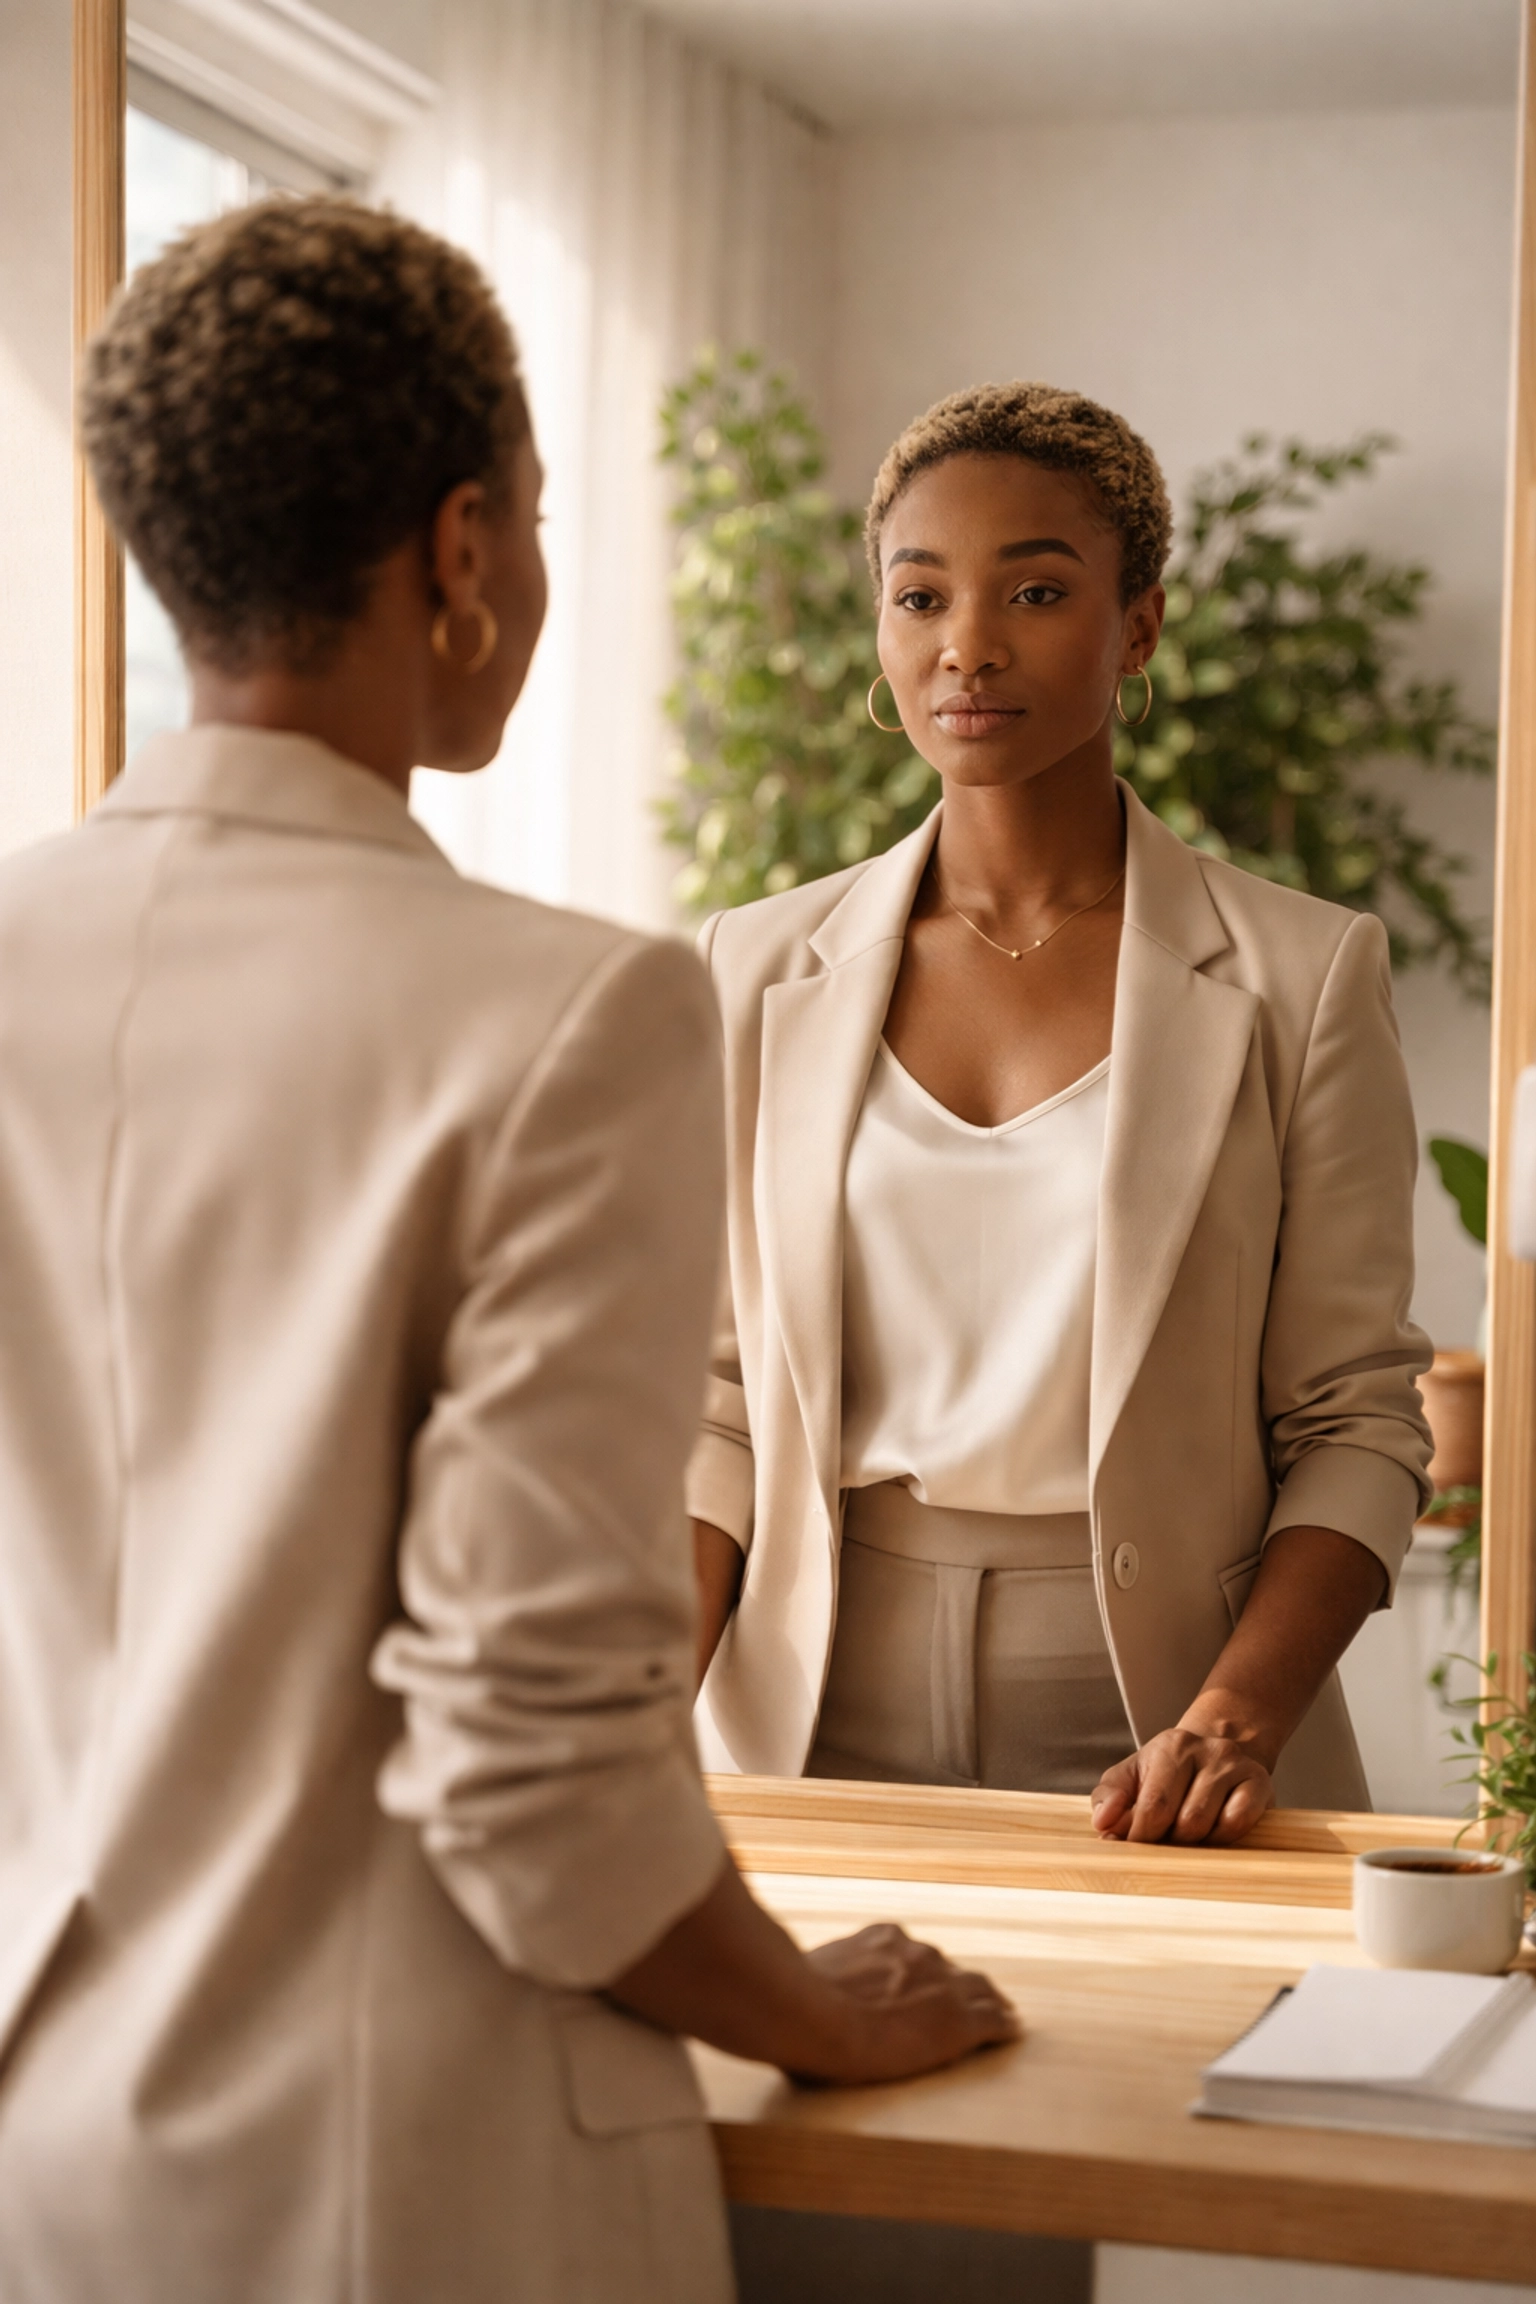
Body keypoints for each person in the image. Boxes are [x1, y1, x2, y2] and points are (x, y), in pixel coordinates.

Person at [0, 201, 1017, 2304]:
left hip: (50, 2147)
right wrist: (814, 2015)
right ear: (460, 551)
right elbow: (533, 1756)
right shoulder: (565, 1014)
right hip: (406, 2176)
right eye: (537, 516)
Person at [688, 382, 1433, 1843]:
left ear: (1138, 627)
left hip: (1160, 1717)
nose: (967, 643)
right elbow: (711, 1399)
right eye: (920, 596)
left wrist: (1235, 1715)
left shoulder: (1301, 974)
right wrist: (627, 1699)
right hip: (810, 1700)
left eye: (1036, 589)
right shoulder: (753, 965)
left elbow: (1355, 1418)